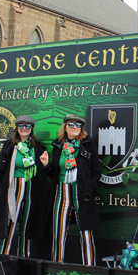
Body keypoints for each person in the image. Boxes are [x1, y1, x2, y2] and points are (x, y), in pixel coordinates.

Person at [45, 114, 101, 266]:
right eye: (71, 124)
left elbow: (96, 171)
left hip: (82, 193)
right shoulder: (58, 146)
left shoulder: (88, 144)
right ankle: (56, 267)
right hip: (61, 192)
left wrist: (92, 187)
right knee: (59, 233)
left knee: (86, 234)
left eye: (78, 124)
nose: (75, 127)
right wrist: (46, 165)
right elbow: (54, 173)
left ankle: (90, 269)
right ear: (65, 127)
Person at [0, 115, 48, 257]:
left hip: (31, 189)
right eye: (21, 126)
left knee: (26, 224)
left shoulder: (38, 147)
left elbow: (43, 174)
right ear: (17, 128)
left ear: (31, 128)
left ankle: (24, 257)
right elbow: (0, 172)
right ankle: (2, 255)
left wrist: (45, 165)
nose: (24, 128)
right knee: (10, 221)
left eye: (27, 126)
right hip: (13, 188)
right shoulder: (9, 146)